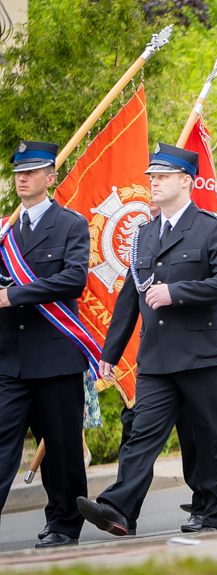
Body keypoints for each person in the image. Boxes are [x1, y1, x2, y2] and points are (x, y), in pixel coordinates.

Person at [78, 144, 217, 535]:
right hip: (157, 356)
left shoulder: (212, 226)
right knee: (141, 434)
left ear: (186, 181)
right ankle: (118, 508)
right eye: (152, 176)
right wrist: (110, 353)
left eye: (162, 176)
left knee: (211, 438)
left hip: (203, 354)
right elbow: (129, 297)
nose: (153, 182)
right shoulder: (144, 235)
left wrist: (175, 292)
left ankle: (213, 512)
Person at [0, 141, 89, 548]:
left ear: (50, 178)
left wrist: (16, 294)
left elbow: (74, 279)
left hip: (54, 356)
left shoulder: (70, 224)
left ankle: (63, 524)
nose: (23, 178)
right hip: (10, 359)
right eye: (19, 172)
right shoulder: (5, 230)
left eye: (32, 171)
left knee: (62, 446)